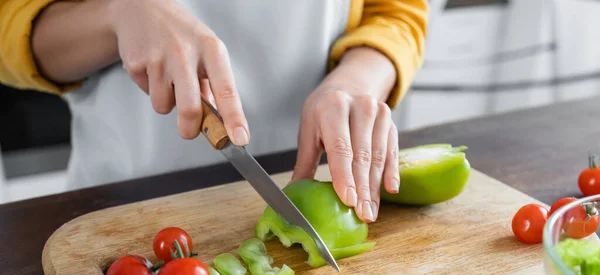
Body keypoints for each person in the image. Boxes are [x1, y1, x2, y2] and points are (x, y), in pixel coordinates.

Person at [0, 0, 428, 222]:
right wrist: (117, 13)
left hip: (314, 177)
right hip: (122, 196)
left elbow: (397, 11)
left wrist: (358, 78)